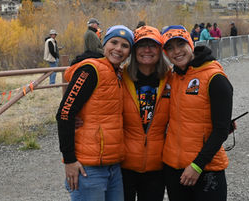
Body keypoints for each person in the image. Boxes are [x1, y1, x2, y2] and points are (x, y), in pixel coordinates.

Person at [56, 25, 134, 201]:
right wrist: (69, 160)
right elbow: (64, 113)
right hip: (88, 168)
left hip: (114, 165)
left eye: (125, 45)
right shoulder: (91, 70)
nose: (118, 49)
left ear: (129, 52)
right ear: (104, 44)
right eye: (114, 42)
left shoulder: (119, 74)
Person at [161, 25, 233, 201]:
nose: (176, 51)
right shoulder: (172, 77)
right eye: (169, 48)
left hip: (205, 169)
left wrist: (197, 166)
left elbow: (221, 130)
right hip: (174, 168)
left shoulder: (215, 78)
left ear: (191, 44)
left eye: (180, 44)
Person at [121, 25, 170, 201]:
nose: (147, 50)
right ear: (134, 50)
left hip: (157, 166)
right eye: (142, 45)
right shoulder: (119, 77)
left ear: (160, 49)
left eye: (153, 45)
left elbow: (190, 106)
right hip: (123, 164)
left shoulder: (171, 78)